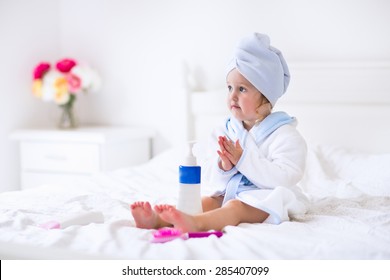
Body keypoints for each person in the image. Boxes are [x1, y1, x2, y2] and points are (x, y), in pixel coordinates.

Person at [130, 32, 308, 233]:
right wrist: (224, 167)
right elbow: (209, 174)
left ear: (266, 97)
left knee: (235, 207)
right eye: (229, 87)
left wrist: (244, 160)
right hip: (229, 193)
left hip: (265, 198)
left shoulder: (285, 135)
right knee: (208, 201)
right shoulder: (225, 130)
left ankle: (196, 224)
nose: (232, 96)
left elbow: (285, 177)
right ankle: (159, 221)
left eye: (242, 89)